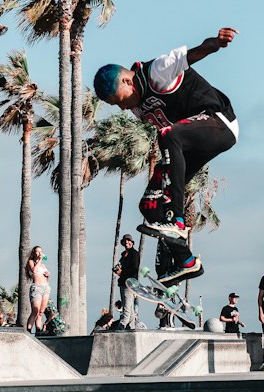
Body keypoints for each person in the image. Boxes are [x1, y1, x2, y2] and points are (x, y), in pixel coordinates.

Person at [93, 27, 238, 285]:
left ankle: (179, 222)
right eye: (118, 106)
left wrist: (215, 43)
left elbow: (192, 54)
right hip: (190, 142)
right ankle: (187, 263)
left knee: (169, 134)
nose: (124, 108)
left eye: (121, 100)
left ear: (128, 81)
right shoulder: (136, 106)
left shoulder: (156, 71)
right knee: (149, 205)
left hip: (219, 124)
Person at [112, 234, 140, 331]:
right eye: (125, 241)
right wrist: (118, 270)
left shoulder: (135, 254)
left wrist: (122, 272)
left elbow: (134, 270)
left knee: (127, 309)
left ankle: (121, 327)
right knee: (129, 309)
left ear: (132, 243)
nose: (127, 243)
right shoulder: (123, 255)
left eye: (129, 241)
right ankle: (131, 328)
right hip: (123, 283)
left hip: (129, 284)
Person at [25, 246, 51, 334]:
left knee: (41, 312)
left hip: (45, 287)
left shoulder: (43, 265)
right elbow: (34, 271)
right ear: (34, 252)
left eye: (41, 251)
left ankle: (38, 330)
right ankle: (28, 330)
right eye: (37, 251)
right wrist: (40, 260)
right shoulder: (31, 262)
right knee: (35, 311)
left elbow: (46, 279)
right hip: (37, 288)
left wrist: (47, 275)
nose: (39, 253)